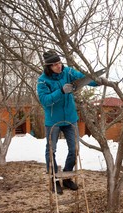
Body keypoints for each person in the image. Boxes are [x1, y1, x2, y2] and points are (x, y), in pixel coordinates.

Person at [37, 50, 102, 194]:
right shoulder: (42, 81)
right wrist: (61, 90)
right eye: (54, 65)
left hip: (70, 119)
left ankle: (66, 177)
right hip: (53, 121)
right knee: (51, 150)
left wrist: (97, 81)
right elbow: (45, 101)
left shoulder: (68, 72)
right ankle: (54, 180)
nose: (58, 66)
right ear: (48, 67)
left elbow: (83, 78)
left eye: (59, 63)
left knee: (75, 149)